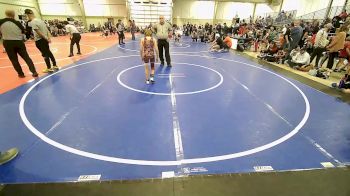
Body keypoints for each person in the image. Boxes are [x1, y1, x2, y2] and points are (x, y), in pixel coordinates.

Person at [0, 9, 38, 78]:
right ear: (13, 14)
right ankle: (34, 71)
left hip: (8, 42)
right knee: (26, 57)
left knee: (14, 60)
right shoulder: (17, 22)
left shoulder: (1, 22)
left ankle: (21, 74)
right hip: (18, 42)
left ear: (6, 14)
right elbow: (23, 31)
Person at [25, 9, 58, 73]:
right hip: (44, 39)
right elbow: (46, 29)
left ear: (27, 14)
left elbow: (38, 32)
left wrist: (46, 38)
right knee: (48, 52)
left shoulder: (33, 22)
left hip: (40, 40)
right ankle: (54, 65)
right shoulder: (39, 20)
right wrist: (48, 37)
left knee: (45, 54)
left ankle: (49, 68)